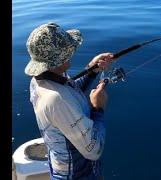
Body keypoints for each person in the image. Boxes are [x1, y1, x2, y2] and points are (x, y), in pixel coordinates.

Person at [24, 22, 115, 179]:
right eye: (69, 50)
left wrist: (92, 70)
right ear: (60, 58)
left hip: (63, 166)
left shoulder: (41, 81)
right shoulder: (56, 100)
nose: (72, 52)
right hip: (78, 174)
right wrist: (98, 108)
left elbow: (68, 90)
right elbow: (94, 150)